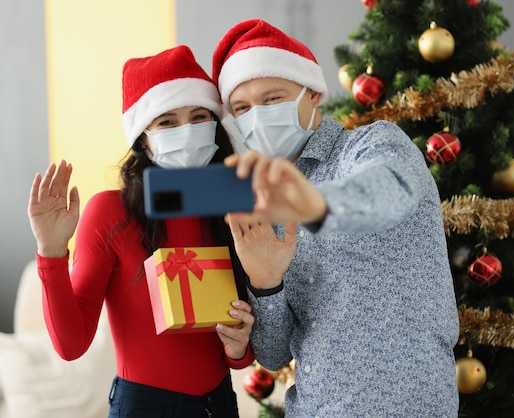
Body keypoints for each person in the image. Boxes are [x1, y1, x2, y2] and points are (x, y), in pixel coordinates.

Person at [211, 19, 460, 417]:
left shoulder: (373, 144)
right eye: (242, 108)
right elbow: (274, 356)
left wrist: (315, 205)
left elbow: (389, 190)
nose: (257, 116)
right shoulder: (268, 209)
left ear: (313, 94)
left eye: (273, 98)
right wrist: (266, 282)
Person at [27, 45, 256, 418]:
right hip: (145, 407)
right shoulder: (111, 212)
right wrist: (51, 252)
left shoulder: (233, 205)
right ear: (143, 138)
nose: (188, 130)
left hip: (220, 404)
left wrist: (239, 347)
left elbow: (243, 348)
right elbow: (71, 346)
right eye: (167, 122)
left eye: (200, 117)